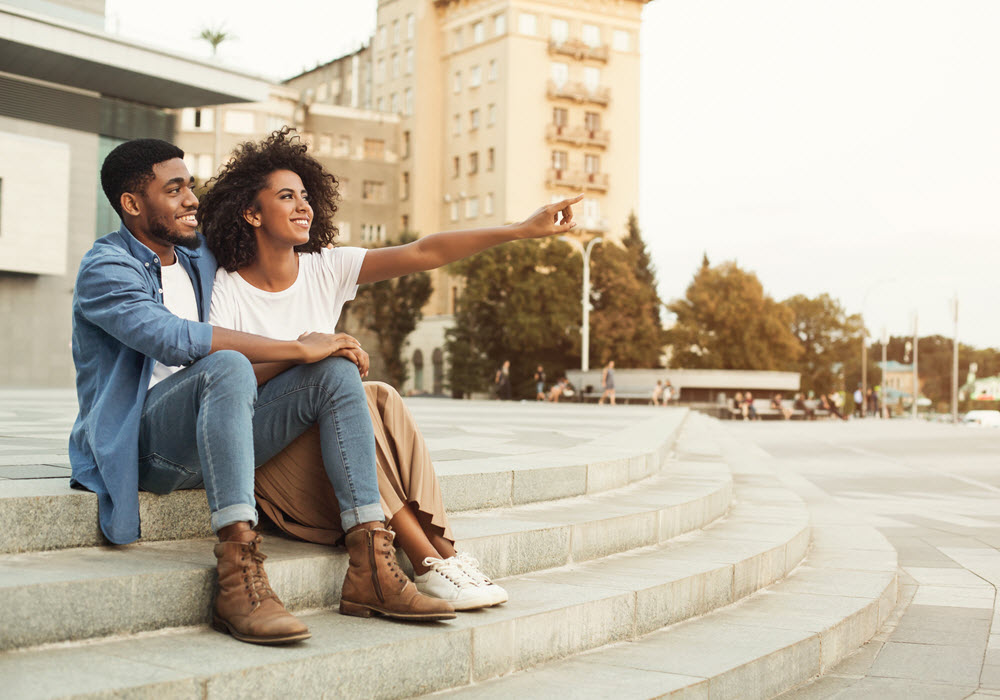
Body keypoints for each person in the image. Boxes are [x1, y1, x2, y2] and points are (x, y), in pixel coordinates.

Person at [200, 128, 583, 611]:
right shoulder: (226, 287)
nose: (303, 206)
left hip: (330, 439)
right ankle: (426, 561)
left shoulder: (324, 267)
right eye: (285, 197)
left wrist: (519, 231)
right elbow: (224, 384)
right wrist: (302, 352)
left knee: (377, 394)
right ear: (252, 213)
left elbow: (425, 253)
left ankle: (445, 552)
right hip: (266, 450)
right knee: (339, 381)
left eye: (305, 195)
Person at [70, 138, 430, 648]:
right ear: (131, 204)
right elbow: (174, 338)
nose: (192, 200)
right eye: (174, 190)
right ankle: (239, 575)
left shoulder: (196, 257)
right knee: (229, 365)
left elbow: (267, 230)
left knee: (335, 370)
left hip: (217, 434)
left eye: (190, 187)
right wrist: (294, 347)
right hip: (145, 445)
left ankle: (371, 562)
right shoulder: (106, 269)